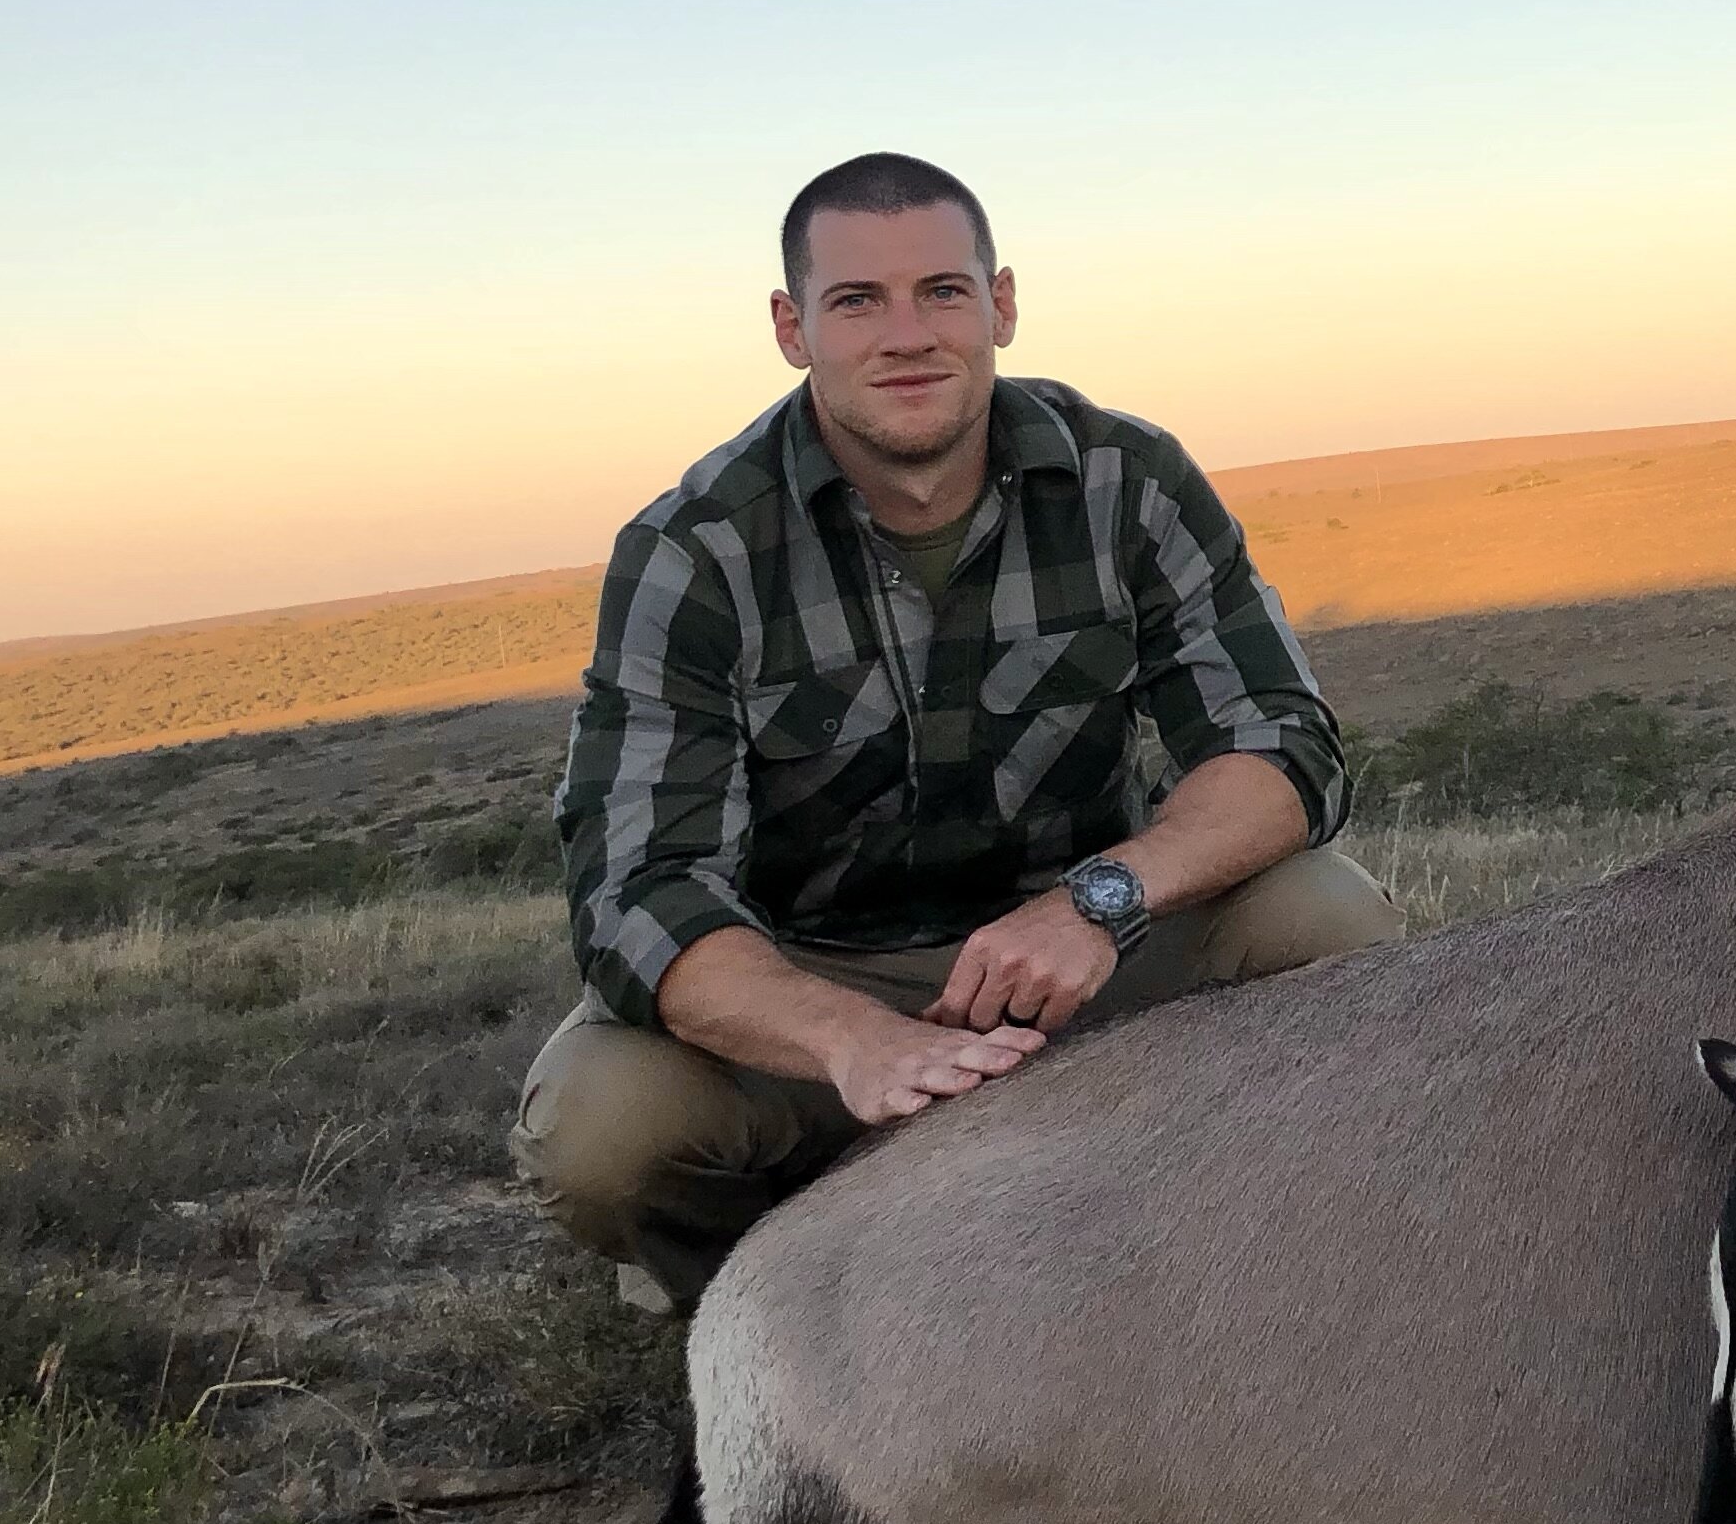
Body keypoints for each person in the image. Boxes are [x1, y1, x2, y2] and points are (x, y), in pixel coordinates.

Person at [511, 150, 1402, 1307]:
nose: (907, 334)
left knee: (1327, 919)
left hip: (1079, 950)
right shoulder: (695, 552)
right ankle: (767, 1314)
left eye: (942, 291)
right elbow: (636, 894)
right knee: (599, 1129)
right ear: (793, 329)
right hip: (807, 983)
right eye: (856, 301)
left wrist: (1104, 900)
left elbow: (1284, 745)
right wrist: (848, 1038)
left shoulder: (1127, 481)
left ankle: (1226, 1263)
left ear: (1003, 304)